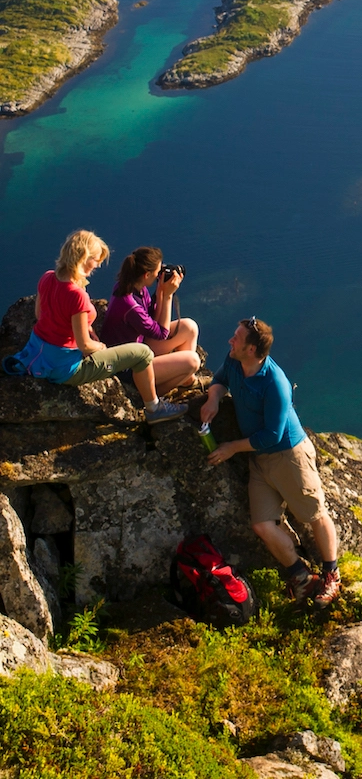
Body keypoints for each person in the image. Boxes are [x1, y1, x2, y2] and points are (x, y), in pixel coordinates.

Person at [200, 317, 339, 606]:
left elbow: (273, 435)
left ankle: (331, 575)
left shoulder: (276, 383)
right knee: (262, 524)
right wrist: (213, 398)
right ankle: (301, 577)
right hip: (259, 458)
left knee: (314, 513)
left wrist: (231, 448)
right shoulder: (235, 362)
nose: (230, 341)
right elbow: (221, 379)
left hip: (289, 455)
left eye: (236, 338)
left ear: (251, 350)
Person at [5, 230, 189, 424]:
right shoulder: (77, 295)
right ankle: (154, 408)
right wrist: (101, 347)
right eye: (95, 259)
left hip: (41, 353)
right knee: (142, 353)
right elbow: (85, 346)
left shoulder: (48, 277)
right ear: (84, 258)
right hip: (66, 368)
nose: (98, 264)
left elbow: (39, 315)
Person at [101, 247, 201, 389]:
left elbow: (153, 317)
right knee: (193, 361)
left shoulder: (134, 288)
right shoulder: (130, 305)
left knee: (189, 327)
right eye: (157, 272)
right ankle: (154, 395)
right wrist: (168, 296)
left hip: (139, 349)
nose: (158, 275)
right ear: (146, 275)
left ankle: (185, 380)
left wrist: (160, 290)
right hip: (129, 367)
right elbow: (161, 333)